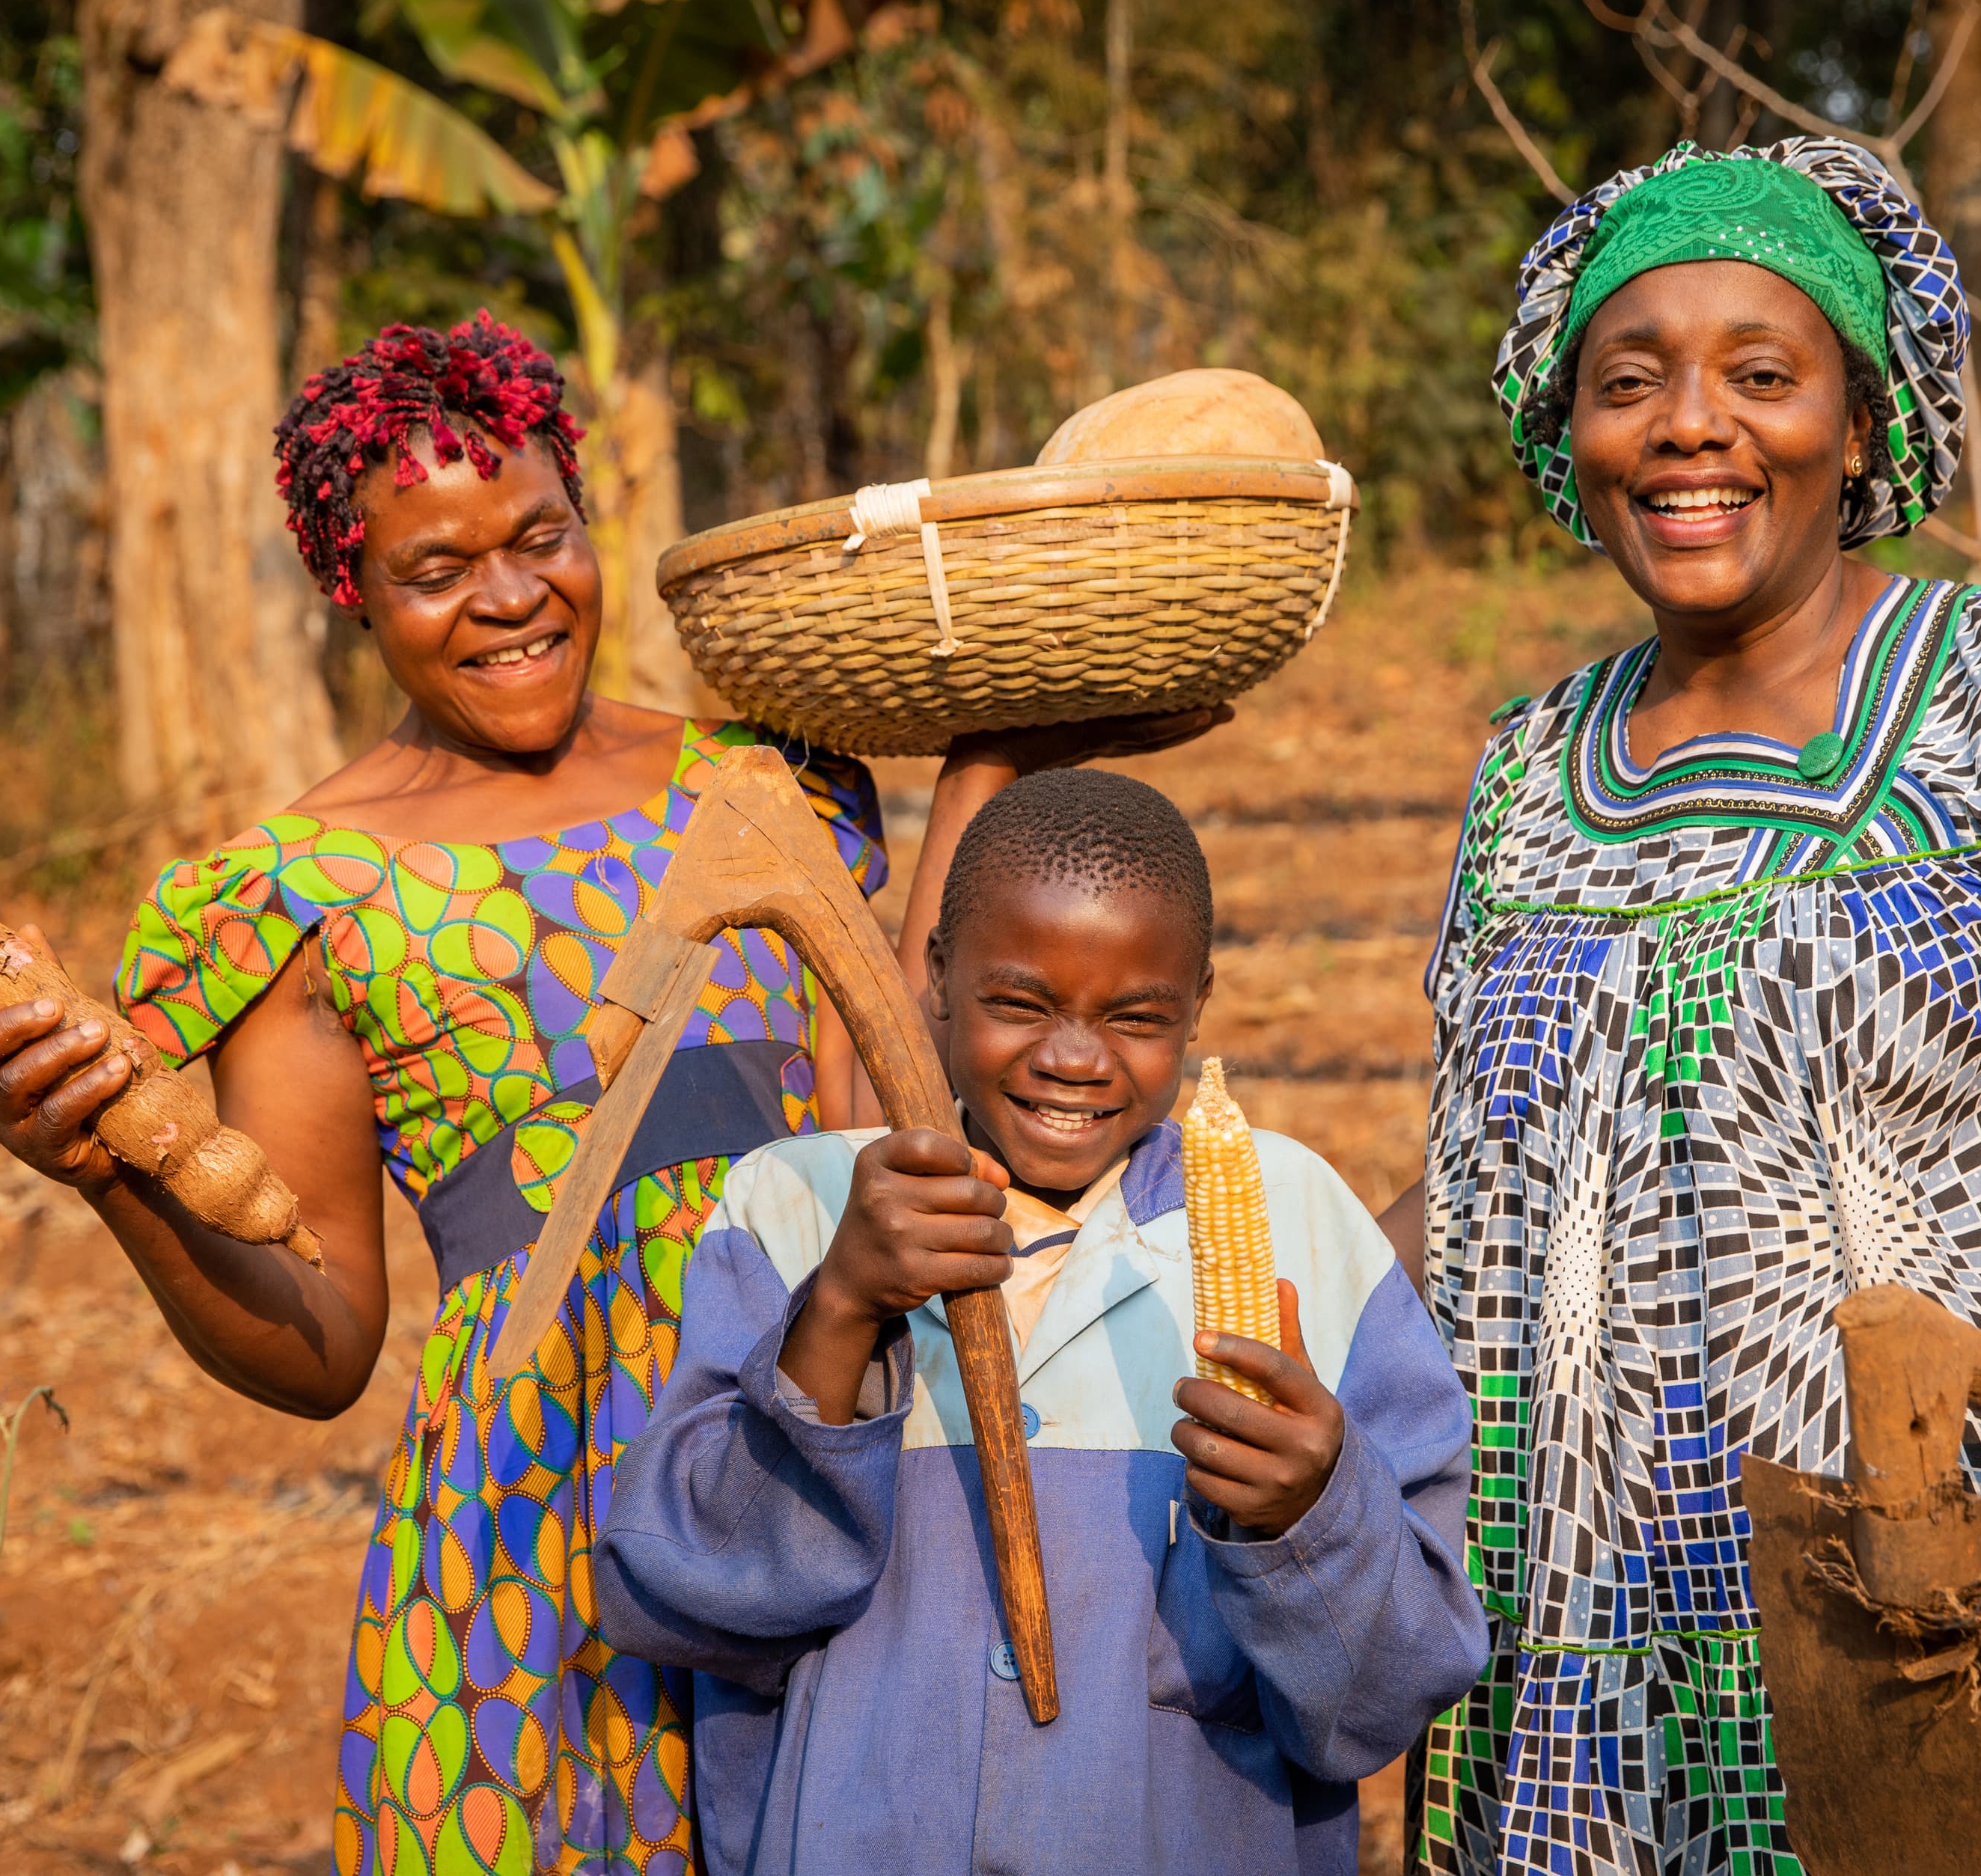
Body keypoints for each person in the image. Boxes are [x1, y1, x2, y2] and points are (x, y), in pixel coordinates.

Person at [0, 314, 1221, 1875]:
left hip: (815, 1428)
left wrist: (999, 742)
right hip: (535, 1509)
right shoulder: (307, 890)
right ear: (354, 595)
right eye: (435, 569)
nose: (513, 595)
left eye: (542, 535)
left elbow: (893, 1093)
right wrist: (101, 1169)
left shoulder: (766, 779)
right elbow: (320, 1347)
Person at [1379, 141, 1981, 1873]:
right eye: (1630, 380)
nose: (1689, 424)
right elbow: (1492, 1185)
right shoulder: (1524, 777)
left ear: (1860, 417)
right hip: (1604, 1642)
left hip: (1980, 1597)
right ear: (1564, 430)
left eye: (1762, 372)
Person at [590, 768, 1489, 1876]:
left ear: (1198, 1002)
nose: (1073, 1056)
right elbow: (677, 1601)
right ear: (936, 978)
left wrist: (1311, 1514)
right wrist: (838, 1310)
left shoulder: (1302, 1227)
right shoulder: (795, 1210)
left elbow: (1379, 1702)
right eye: (1020, 1002)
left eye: (1137, 1017)